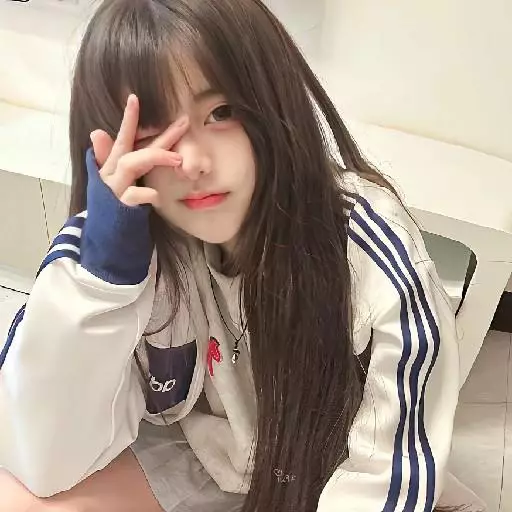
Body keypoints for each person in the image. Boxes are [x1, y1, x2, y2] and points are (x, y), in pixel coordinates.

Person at [0, 0, 477, 510]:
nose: (193, 162)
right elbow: (43, 457)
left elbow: (386, 475)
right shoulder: (116, 240)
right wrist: (106, 276)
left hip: (327, 473)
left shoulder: (367, 252)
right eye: (152, 131)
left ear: (272, 102)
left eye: (221, 113)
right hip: (207, 455)